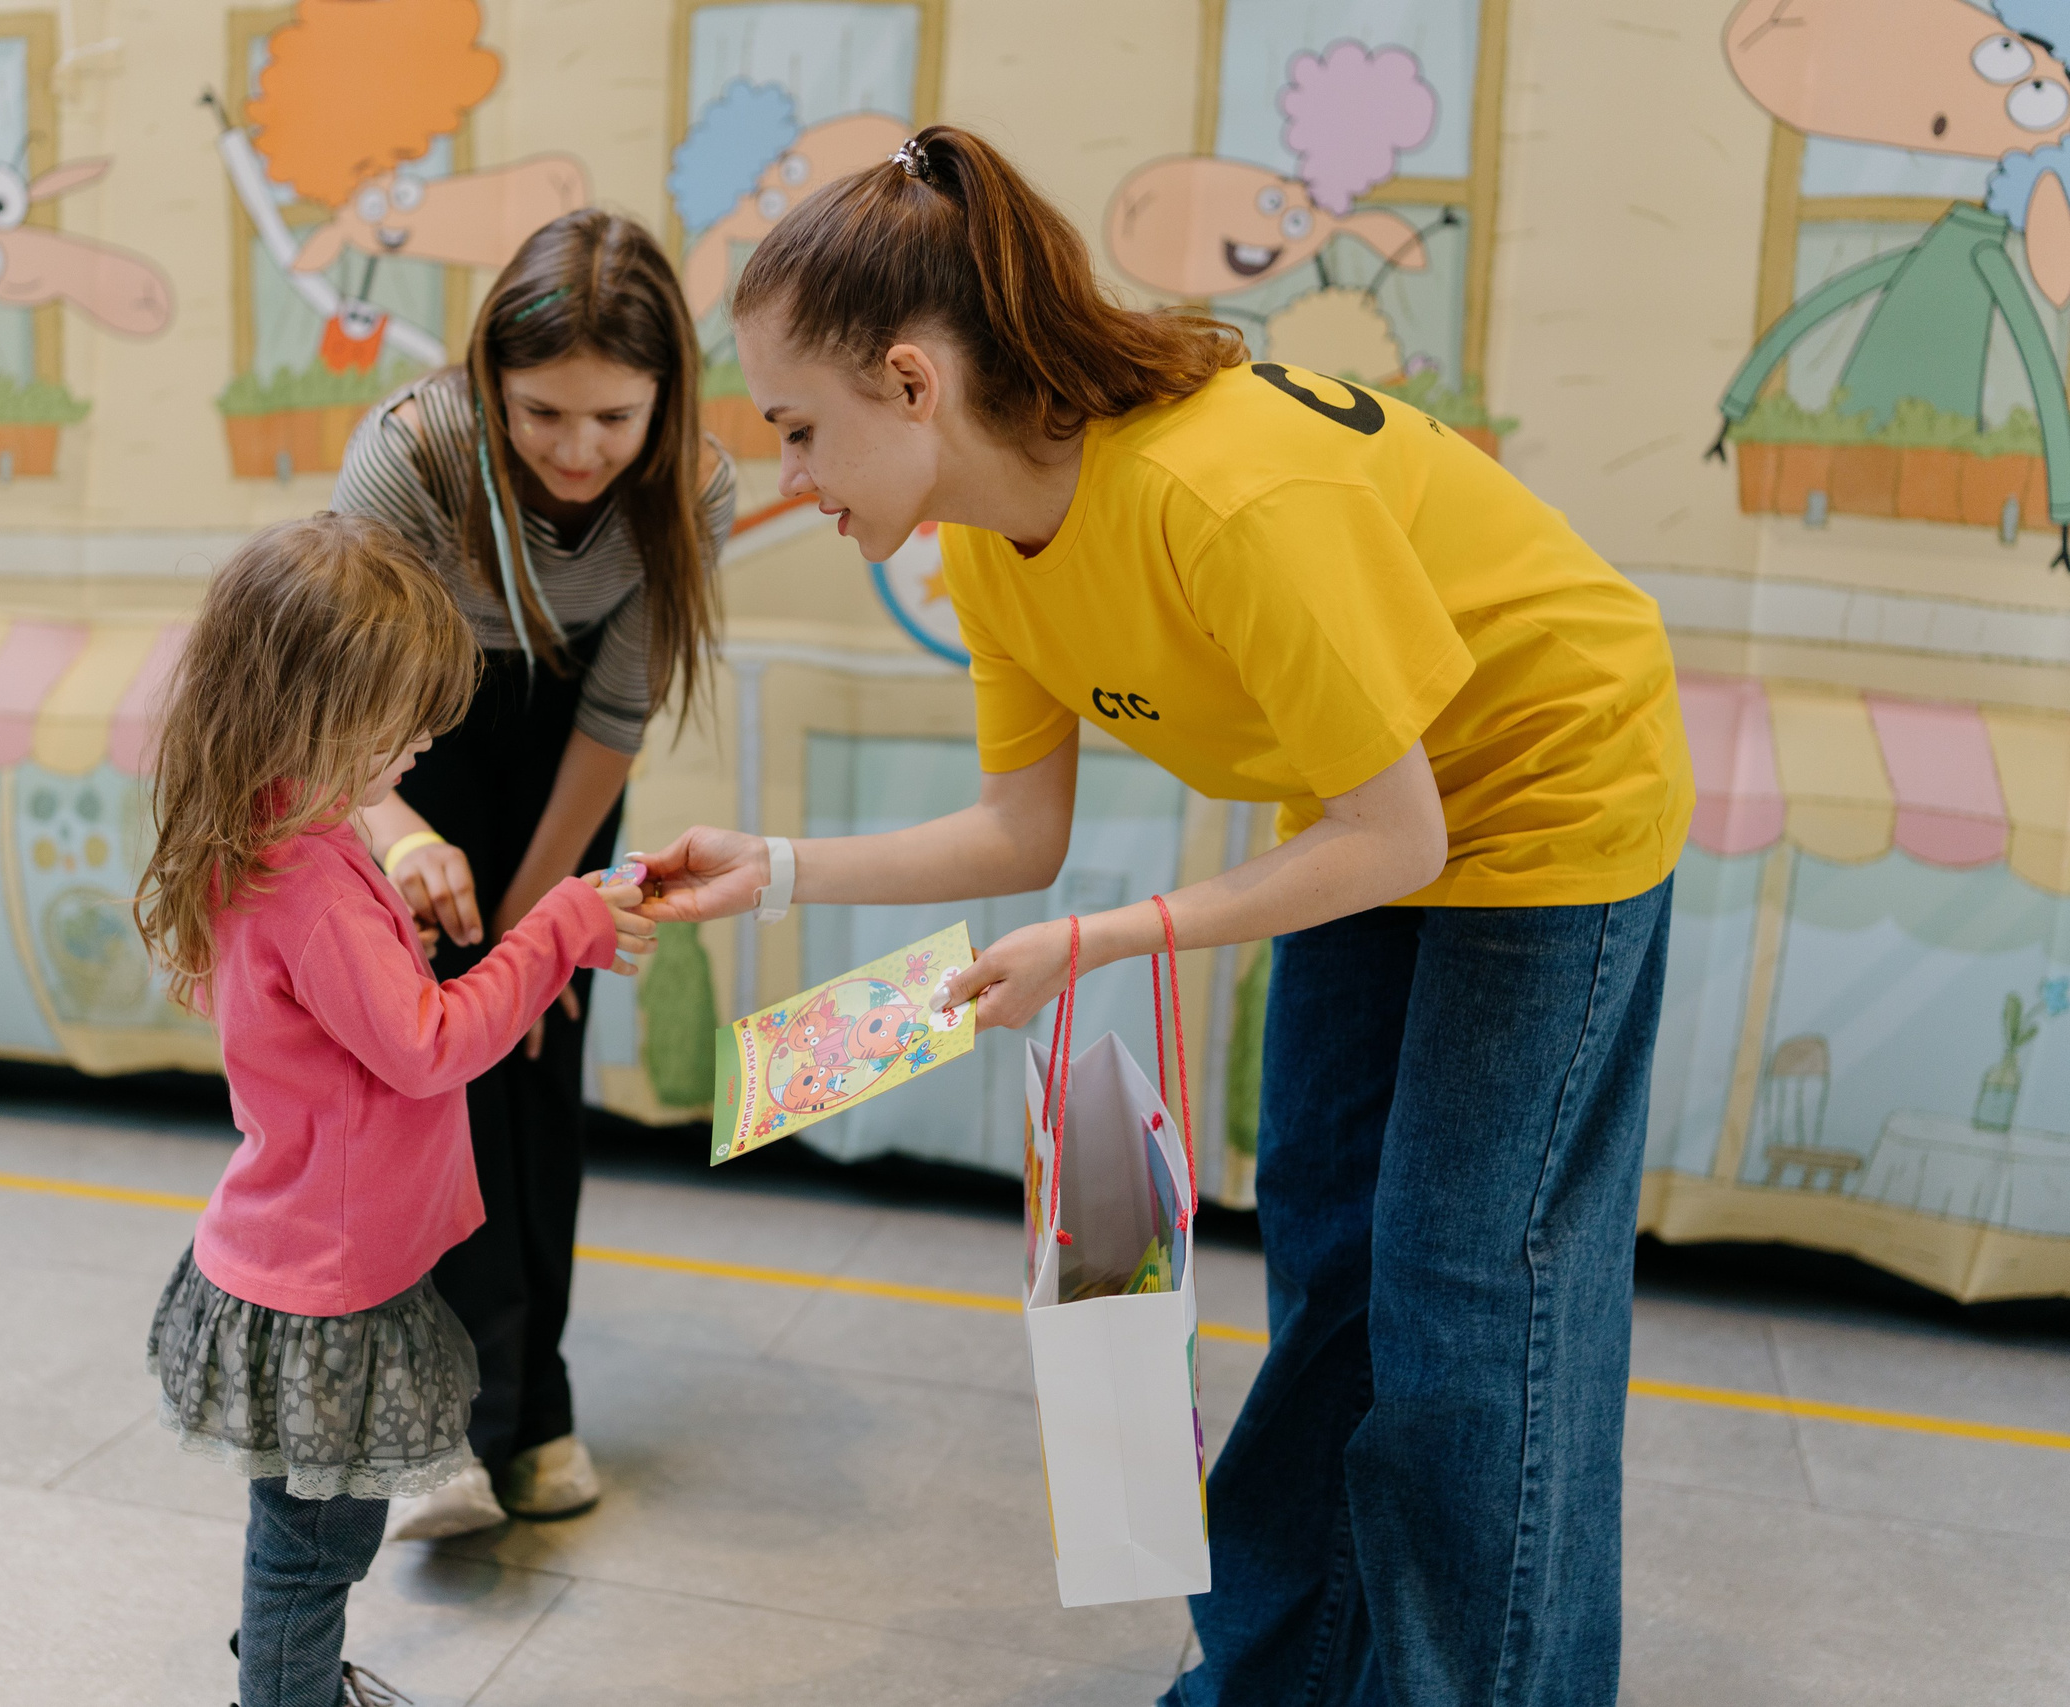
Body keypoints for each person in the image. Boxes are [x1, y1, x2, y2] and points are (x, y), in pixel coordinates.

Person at [637, 127, 1692, 1707]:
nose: (786, 479)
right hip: (1365, 823)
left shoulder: (1222, 495)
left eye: (797, 430)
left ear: (914, 383)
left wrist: (1111, 941)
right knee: (1339, 1261)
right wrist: (774, 867)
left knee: (1472, 1295)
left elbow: (1401, 834)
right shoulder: (993, 545)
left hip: (1548, 796)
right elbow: (1020, 831)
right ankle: (1279, 1675)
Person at [133, 512, 654, 1707]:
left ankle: (284, 1668)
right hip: (324, 1283)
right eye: (397, 725)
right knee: (314, 1551)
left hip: (305, 1254)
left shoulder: (274, 823)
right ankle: (285, 1690)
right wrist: (559, 928)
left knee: (307, 1538)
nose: (422, 742)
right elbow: (429, 1054)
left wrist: (397, 950)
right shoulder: (312, 880)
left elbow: (345, 1022)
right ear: (310, 714)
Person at [333, 209, 734, 1538]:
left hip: (561, 762)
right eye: (541, 412)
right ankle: (435, 1427)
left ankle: (534, 1407)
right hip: (403, 742)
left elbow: (614, 717)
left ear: (666, 396)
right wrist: (394, 832)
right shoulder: (410, 454)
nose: (577, 451)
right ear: (486, 382)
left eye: (614, 418)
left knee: (533, 1061)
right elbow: (330, 706)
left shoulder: (694, 488)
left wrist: (530, 928)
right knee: (416, 1080)